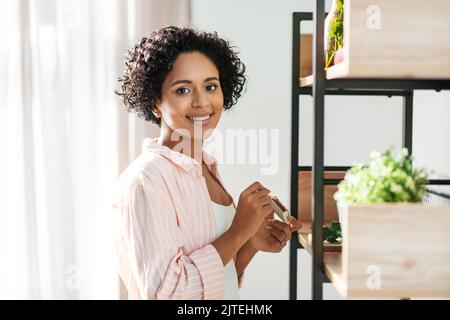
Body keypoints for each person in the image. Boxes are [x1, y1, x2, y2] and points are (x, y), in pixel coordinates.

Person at [113, 26, 301, 300]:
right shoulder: (147, 179)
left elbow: (214, 287)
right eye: (183, 90)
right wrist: (237, 232)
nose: (202, 101)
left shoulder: (205, 170)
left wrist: (249, 244)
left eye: (210, 86)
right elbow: (171, 295)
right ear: (155, 101)